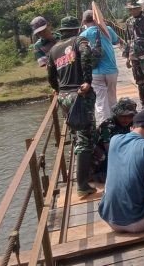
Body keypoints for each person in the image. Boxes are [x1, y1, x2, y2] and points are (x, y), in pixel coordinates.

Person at [47, 16, 98, 197]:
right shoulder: (80, 41)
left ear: (62, 31)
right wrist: (87, 81)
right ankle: (82, 185)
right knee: (85, 137)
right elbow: (86, 55)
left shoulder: (53, 50)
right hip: (79, 95)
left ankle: (88, 173)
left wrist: (57, 89)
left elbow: (51, 75)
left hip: (64, 96)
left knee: (77, 134)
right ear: (77, 29)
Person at [80, 9, 121, 123]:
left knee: (101, 102)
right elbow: (116, 41)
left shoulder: (83, 35)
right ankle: (115, 124)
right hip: (111, 70)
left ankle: (105, 128)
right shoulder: (107, 29)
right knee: (112, 99)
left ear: (84, 22)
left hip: (95, 72)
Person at [122, 0, 144, 114]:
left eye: (134, 9)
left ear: (139, 8)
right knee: (139, 82)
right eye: (130, 9)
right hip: (134, 55)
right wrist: (127, 57)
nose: (131, 11)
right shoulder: (129, 21)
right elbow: (128, 39)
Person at [92, 97, 137, 183]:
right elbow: (109, 149)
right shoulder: (108, 125)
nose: (126, 119)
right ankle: (100, 174)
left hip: (121, 149)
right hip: (103, 153)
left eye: (130, 116)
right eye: (123, 116)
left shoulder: (132, 123)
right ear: (117, 114)